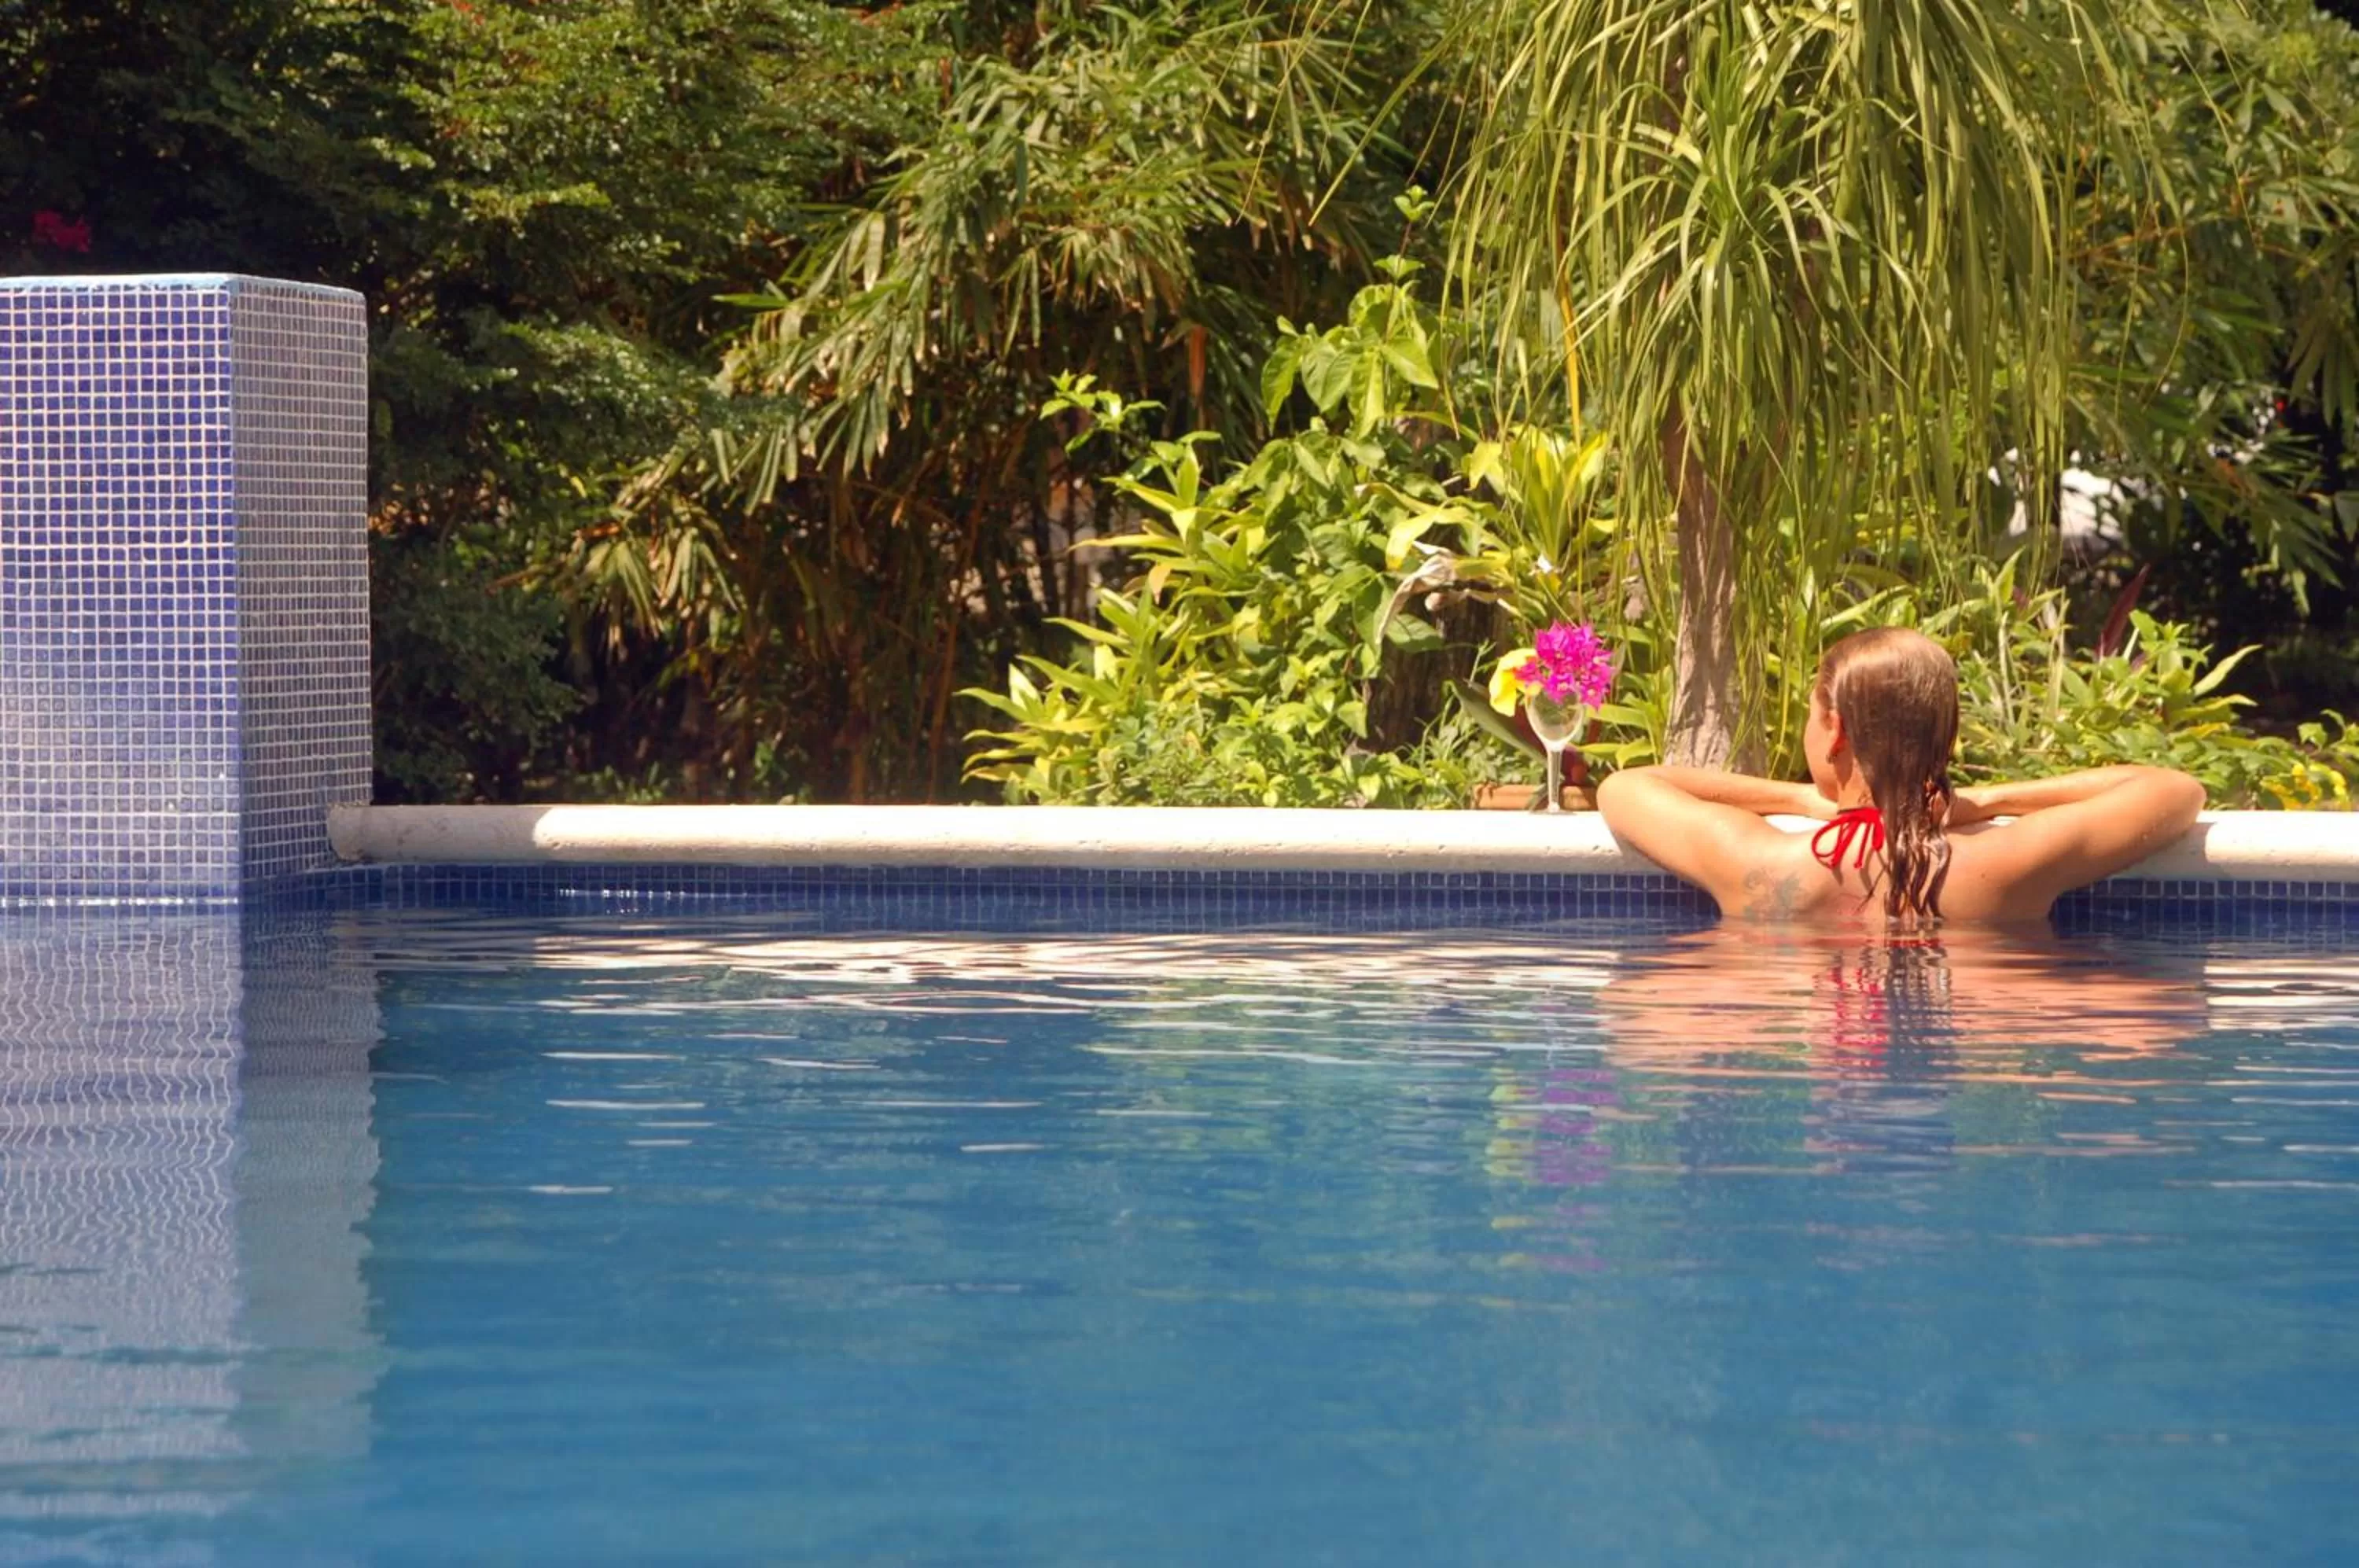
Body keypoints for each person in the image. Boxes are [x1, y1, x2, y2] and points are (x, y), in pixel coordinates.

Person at [1594, 627, 2206, 926]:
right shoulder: (2009, 863)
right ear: (1947, 737)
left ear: (1834, 729)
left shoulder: (1758, 862)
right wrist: (1987, 801)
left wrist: (1805, 800)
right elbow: (2175, 793)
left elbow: (1625, 788)